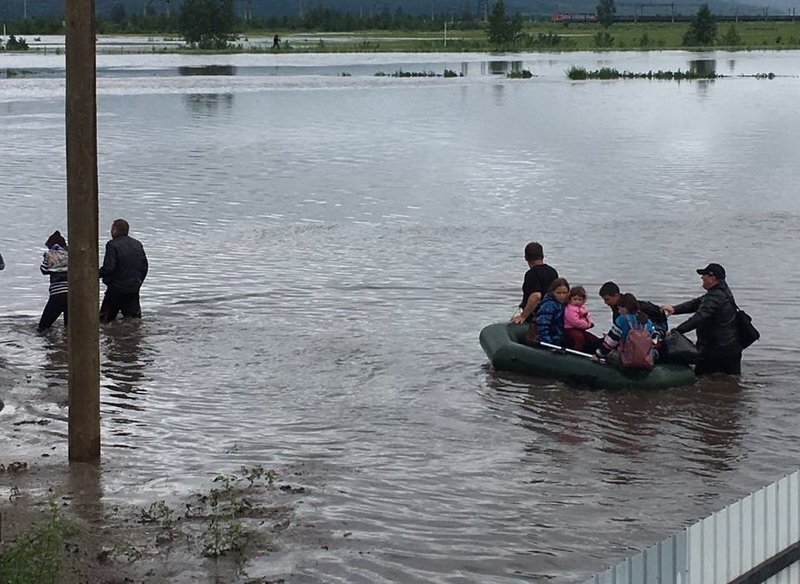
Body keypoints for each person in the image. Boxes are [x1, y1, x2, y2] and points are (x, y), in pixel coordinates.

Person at [661, 263, 741, 375]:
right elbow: (697, 303)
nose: (702, 278)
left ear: (712, 278)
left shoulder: (715, 296)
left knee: (700, 377)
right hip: (731, 347)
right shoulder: (723, 292)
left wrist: (677, 331)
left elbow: (699, 317)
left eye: (704, 275)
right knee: (731, 381)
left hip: (716, 350)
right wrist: (674, 309)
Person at [99, 218, 148, 323]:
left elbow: (109, 268)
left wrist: (95, 274)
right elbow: (144, 266)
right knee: (133, 320)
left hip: (116, 289)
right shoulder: (137, 244)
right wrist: (138, 281)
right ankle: (132, 338)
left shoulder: (112, 245)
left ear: (115, 230)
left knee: (104, 320)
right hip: (133, 288)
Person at [595, 293, 659, 366]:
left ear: (625, 308)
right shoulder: (647, 321)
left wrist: (598, 354)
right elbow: (654, 341)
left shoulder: (622, 320)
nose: (619, 311)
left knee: (610, 354)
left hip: (626, 359)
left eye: (619, 308)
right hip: (646, 359)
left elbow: (610, 342)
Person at [598, 281, 668, 338]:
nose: (605, 303)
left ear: (616, 296)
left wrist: (660, 329)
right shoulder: (616, 310)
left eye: (607, 299)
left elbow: (658, 312)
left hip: (656, 327)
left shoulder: (632, 304)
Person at [512, 242, 558, 324]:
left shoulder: (531, 274)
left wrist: (523, 316)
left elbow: (536, 296)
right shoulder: (553, 271)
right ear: (542, 256)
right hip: (552, 315)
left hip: (537, 317)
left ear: (525, 257)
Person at [38, 231, 69, 331]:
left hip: (57, 293)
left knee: (43, 327)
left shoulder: (51, 254)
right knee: (69, 327)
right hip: (73, 293)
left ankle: (49, 345)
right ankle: (66, 344)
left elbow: (44, 270)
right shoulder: (72, 253)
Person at [564, 285, 601, 353]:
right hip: (570, 328)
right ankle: (576, 351)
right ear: (570, 299)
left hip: (580, 328)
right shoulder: (570, 309)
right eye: (575, 299)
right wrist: (586, 325)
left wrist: (590, 323)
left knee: (591, 338)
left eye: (579, 299)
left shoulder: (583, 308)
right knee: (579, 337)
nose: (577, 301)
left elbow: (588, 316)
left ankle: (597, 350)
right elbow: (575, 321)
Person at [534, 277, 570, 346]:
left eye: (564, 293)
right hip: (552, 338)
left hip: (562, 335)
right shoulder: (549, 305)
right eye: (558, 293)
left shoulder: (567, 304)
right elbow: (543, 324)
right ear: (552, 292)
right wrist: (547, 342)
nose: (562, 296)